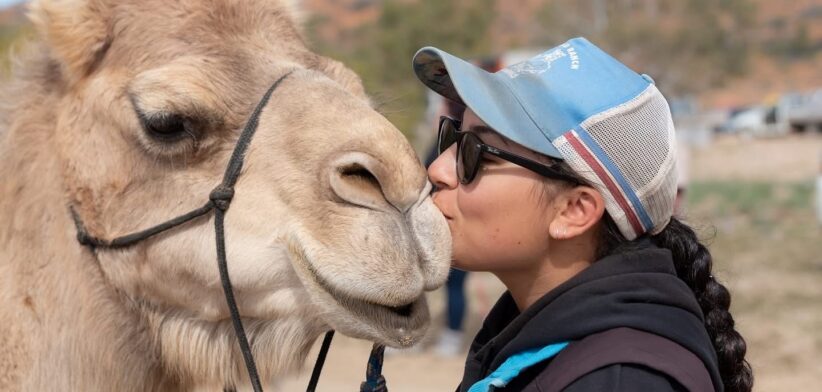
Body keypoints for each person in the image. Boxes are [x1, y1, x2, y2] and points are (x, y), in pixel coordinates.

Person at [412, 37, 753, 391]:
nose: (438, 170)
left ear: (574, 210)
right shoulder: (542, 339)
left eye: (477, 153)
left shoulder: (621, 381)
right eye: (452, 138)